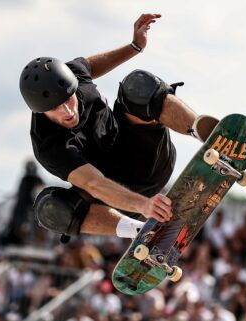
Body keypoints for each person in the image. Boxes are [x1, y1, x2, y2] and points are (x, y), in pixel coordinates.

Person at [19, 13, 218, 242]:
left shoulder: (74, 73)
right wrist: (144, 206)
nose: (68, 110)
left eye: (69, 99)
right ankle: (141, 232)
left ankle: (204, 131)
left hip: (148, 157)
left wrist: (135, 46)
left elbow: (91, 65)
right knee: (51, 208)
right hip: (116, 193)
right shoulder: (48, 145)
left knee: (138, 85)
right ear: (41, 111)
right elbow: (95, 184)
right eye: (57, 108)